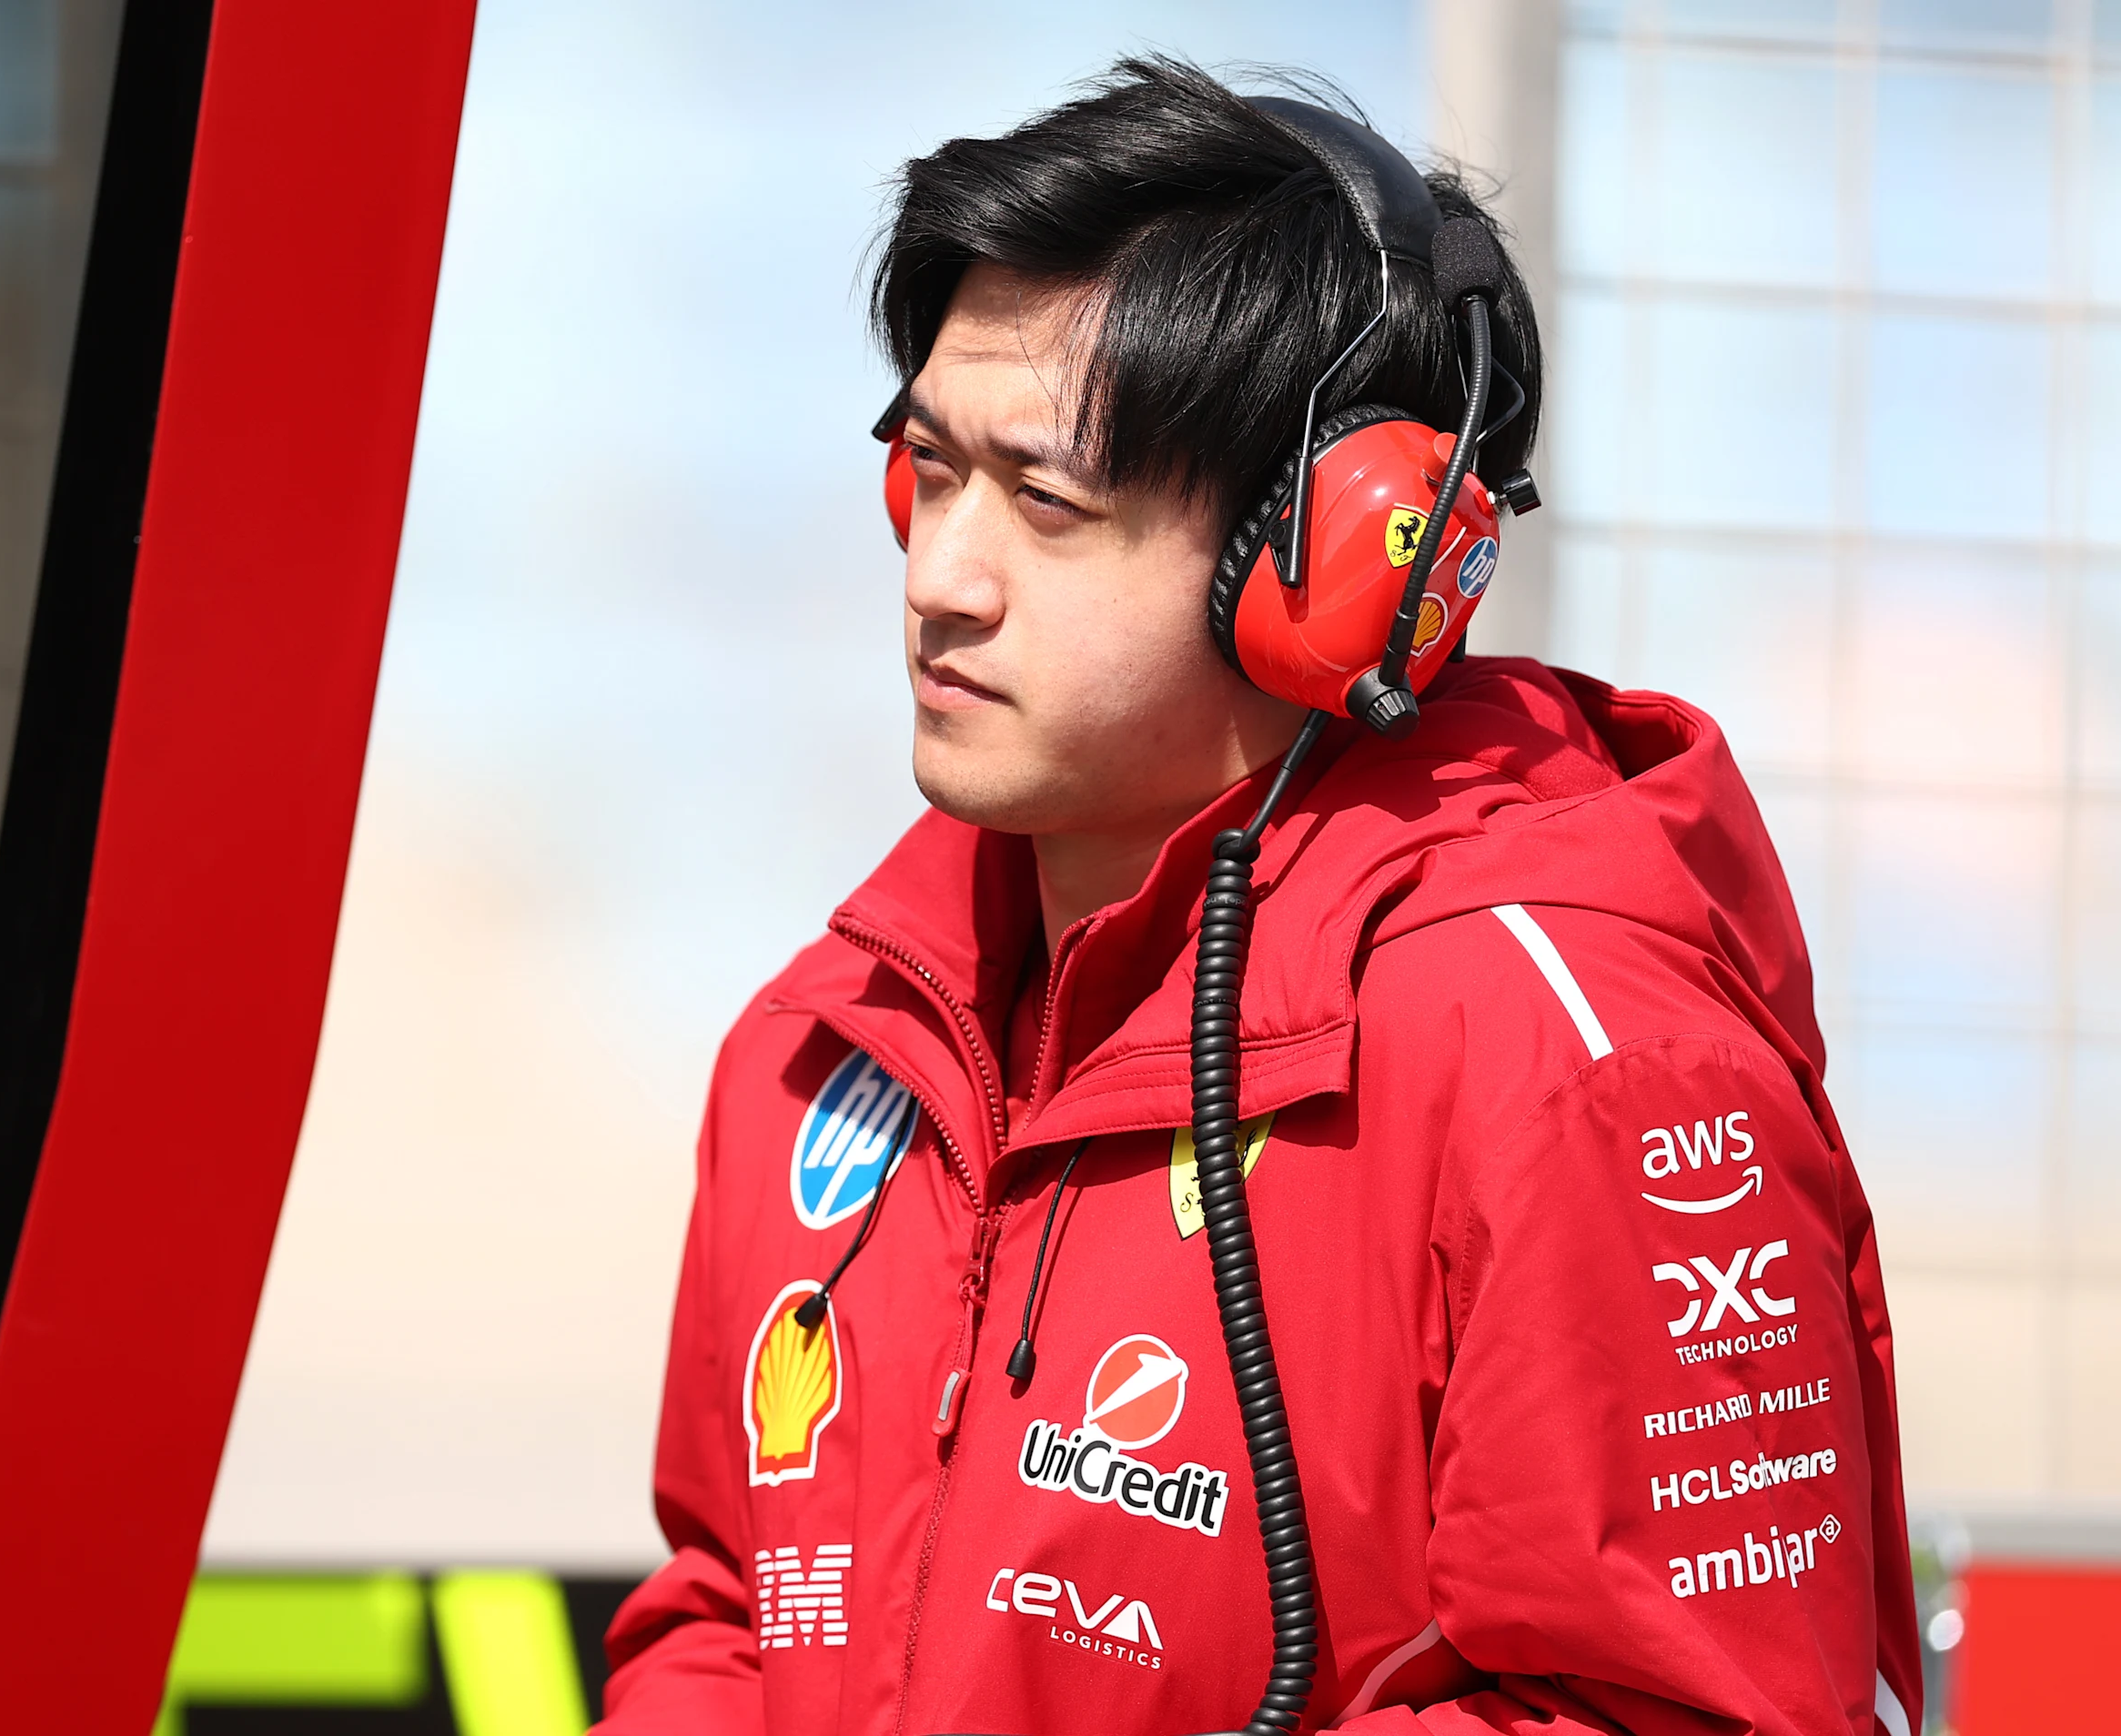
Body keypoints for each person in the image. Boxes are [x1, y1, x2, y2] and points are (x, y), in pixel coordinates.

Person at [593, 57, 1920, 1736]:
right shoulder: (829, 1041)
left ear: (1326, 566)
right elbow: (733, 1611)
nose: (939, 577)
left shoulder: (1572, 1061)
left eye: (1046, 503)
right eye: (930, 470)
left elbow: (1683, 1715)